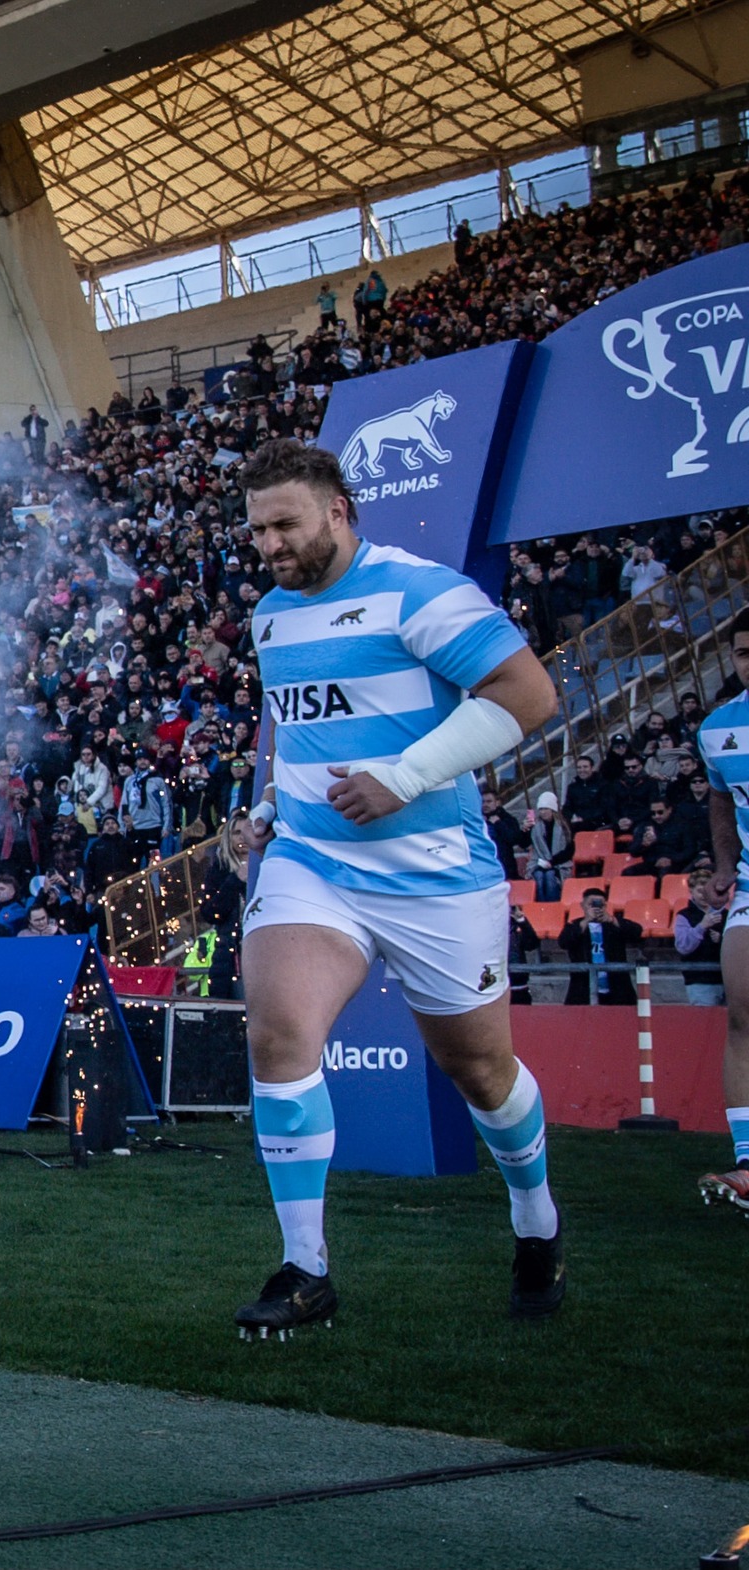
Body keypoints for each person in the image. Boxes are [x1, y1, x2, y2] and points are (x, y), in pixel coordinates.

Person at [232, 439, 564, 1340]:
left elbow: (530, 695)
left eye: (285, 524)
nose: (269, 545)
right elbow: (293, 729)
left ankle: (536, 1224)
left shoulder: (420, 591)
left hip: (433, 875)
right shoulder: (270, 616)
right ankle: (307, 1269)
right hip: (314, 865)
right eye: (257, 529)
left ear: (339, 509)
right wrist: (264, 808)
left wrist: (405, 777)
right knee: (278, 1029)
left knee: (479, 1071)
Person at [696, 611, 749, 1209]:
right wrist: (727, 864)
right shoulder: (718, 729)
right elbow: (718, 795)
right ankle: (746, 1160)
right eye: (741, 654)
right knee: (743, 1014)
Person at [555, 888, 642, 1005]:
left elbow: (636, 932)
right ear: (582, 905)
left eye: (600, 904)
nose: (596, 908)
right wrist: (586, 921)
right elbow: (564, 942)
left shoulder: (613, 924)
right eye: (591, 904)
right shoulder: (575, 925)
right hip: (583, 985)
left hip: (616, 985)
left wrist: (613, 920)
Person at [675, 864, 730, 1008]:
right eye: (700, 891)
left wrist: (721, 941)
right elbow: (683, 947)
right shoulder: (684, 916)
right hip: (699, 981)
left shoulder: (727, 915)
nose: (704, 895)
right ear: (691, 891)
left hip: (729, 980)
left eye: (708, 891)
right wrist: (702, 926)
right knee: (705, 1025)